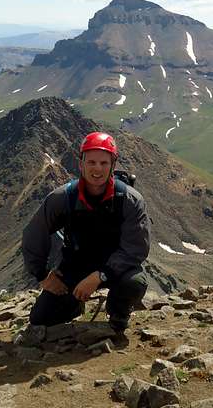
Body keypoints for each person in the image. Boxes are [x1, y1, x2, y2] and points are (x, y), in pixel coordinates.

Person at [22, 131, 150, 332]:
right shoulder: (63, 198)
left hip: (116, 268)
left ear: (113, 165)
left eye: (103, 163)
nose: (97, 169)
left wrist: (101, 275)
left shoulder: (130, 201)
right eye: (91, 162)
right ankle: (74, 305)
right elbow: (34, 234)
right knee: (41, 318)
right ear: (81, 164)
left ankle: (118, 312)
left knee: (134, 283)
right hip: (76, 267)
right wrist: (43, 274)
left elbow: (136, 250)